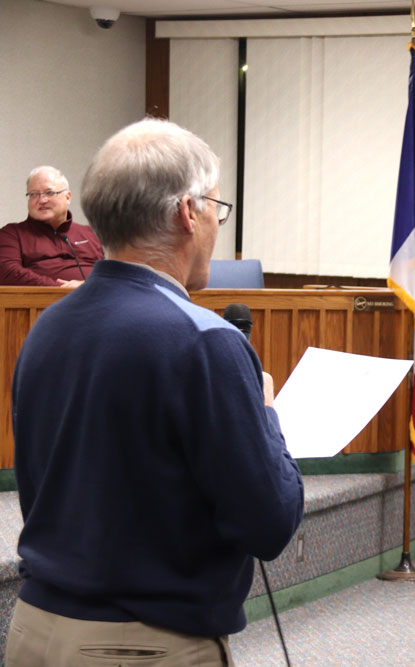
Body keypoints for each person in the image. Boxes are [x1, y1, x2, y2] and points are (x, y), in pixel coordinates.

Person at [7, 119, 304, 666]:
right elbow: (268, 523)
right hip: (142, 645)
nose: (217, 221)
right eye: (217, 205)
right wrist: (265, 417)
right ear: (188, 211)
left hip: (34, 633)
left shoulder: (46, 329)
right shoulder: (205, 341)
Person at [0, 166, 104, 287]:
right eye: (34, 194)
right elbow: (7, 273)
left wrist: (86, 286)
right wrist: (60, 289)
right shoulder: (12, 234)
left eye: (49, 193)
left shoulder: (92, 234)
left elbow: (117, 273)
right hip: (41, 303)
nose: (42, 200)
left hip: (97, 300)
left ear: (68, 197)